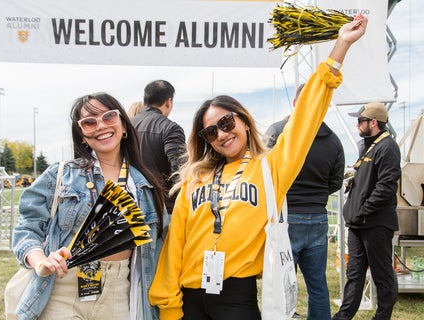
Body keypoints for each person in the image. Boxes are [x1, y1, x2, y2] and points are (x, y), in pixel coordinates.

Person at [148, 15, 368, 320]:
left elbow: (305, 117)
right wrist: (170, 307)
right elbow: (176, 245)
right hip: (189, 300)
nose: (222, 134)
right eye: (211, 132)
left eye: (226, 123)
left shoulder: (271, 168)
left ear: (244, 121)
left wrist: (340, 46)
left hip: (237, 297)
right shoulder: (196, 178)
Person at [11, 92, 169, 320]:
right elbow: (27, 229)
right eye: (89, 122)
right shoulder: (60, 175)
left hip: (120, 293)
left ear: (124, 125)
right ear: (82, 136)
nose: (100, 126)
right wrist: (41, 262)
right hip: (63, 288)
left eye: (109, 117)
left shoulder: (146, 187)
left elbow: (160, 250)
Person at [266, 83, 345, 320]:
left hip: (286, 217)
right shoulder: (333, 141)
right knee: (318, 285)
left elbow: (266, 173)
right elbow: (336, 182)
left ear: (295, 103)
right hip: (318, 217)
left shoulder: (278, 130)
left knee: (281, 287)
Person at [332, 102, 400, 320]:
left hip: (376, 223)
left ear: (373, 122)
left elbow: (387, 186)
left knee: (382, 274)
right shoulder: (367, 146)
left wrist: (363, 210)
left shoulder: (387, 146)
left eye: (360, 120)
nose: (357, 124)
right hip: (358, 224)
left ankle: (382, 316)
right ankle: (344, 316)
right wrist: (352, 211)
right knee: (354, 274)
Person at [131, 80, 187, 214]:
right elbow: (179, 170)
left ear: (145, 100)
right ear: (169, 102)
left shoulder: (126, 126)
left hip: (131, 205)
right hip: (161, 207)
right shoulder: (170, 128)